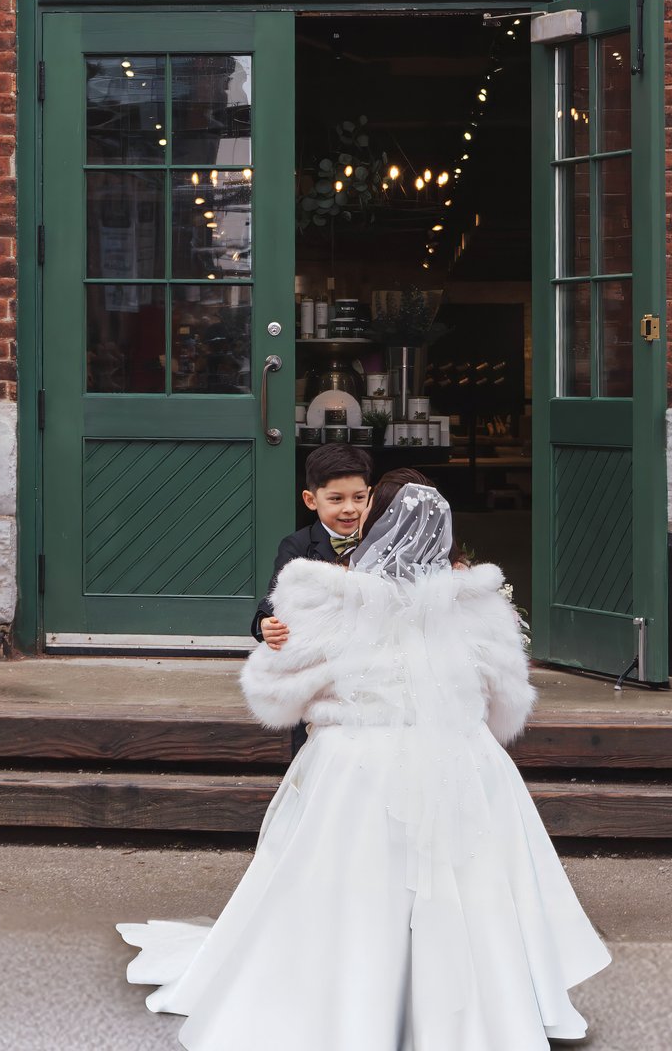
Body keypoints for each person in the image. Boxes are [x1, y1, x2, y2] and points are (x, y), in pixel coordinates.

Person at [119, 483, 611, 1050]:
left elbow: (274, 696)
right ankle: (480, 1012)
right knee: (473, 888)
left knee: (345, 889)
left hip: (356, 764)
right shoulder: (479, 607)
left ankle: (351, 1007)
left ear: (373, 528)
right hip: (461, 759)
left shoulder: (328, 601)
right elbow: (507, 703)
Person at [250, 443, 373, 649]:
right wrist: (265, 622)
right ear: (311, 500)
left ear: (369, 495)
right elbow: (275, 596)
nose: (350, 509)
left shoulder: (378, 541)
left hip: (368, 642)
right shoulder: (297, 545)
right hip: (317, 646)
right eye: (336, 499)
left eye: (359, 498)